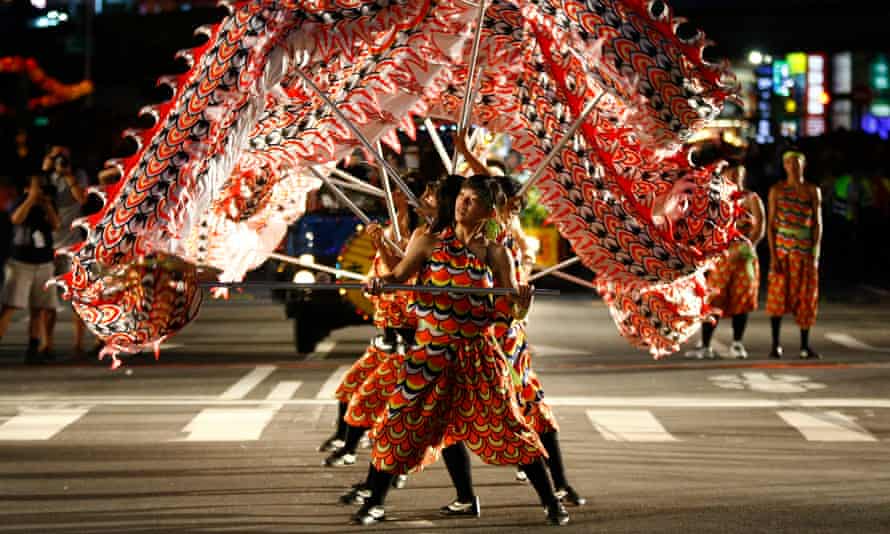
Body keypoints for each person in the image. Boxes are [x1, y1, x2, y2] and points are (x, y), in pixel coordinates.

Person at [352, 176, 569, 526]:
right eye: (461, 197)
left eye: (472, 200)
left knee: (510, 427)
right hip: (431, 353)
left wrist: (522, 306)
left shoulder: (498, 252)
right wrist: (379, 283)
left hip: (479, 356)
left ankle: (551, 501)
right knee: (398, 421)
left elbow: (509, 309)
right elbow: (400, 275)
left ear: (487, 210)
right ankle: (374, 502)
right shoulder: (427, 240)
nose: (461, 204)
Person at [686, 163, 765, 359]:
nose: (735, 178)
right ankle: (705, 345)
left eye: (739, 174)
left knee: (742, 299)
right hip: (720, 255)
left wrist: (747, 246)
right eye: (731, 174)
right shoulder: (717, 198)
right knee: (713, 299)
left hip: (743, 256)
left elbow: (759, 225)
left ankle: (737, 343)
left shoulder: (751, 198)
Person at [766, 151, 822, 360]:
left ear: (803, 165)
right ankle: (775, 344)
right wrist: (773, 255)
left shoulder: (811, 190)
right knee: (777, 298)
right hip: (782, 251)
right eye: (789, 163)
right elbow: (771, 225)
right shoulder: (777, 190)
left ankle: (805, 346)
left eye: (797, 163)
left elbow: (817, 223)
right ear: (784, 166)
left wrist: (815, 253)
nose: (793, 167)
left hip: (804, 251)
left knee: (806, 298)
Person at [0, 175, 61, 363]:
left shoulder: (47, 204)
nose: (40, 190)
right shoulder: (19, 202)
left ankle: (33, 348)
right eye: (37, 187)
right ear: (27, 188)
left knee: (39, 308)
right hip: (21, 263)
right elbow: (16, 219)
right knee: (10, 306)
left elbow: (56, 224)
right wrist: (30, 199)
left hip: (43, 262)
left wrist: (46, 205)